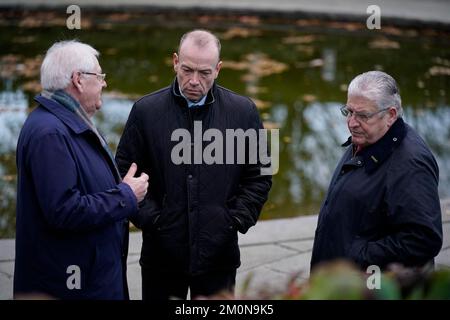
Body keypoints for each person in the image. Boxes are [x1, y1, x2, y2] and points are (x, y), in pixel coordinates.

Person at [116, 29, 272, 300]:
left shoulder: (244, 111)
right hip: (160, 256)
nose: (194, 81)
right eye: (187, 70)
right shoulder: (145, 111)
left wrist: (234, 219)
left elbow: (260, 175)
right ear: (175, 61)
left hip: (219, 256)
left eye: (204, 73)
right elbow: (124, 172)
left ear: (218, 69)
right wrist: (154, 220)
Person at [14, 40, 149, 299]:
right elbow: (64, 210)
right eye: (100, 76)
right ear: (78, 80)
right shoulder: (50, 134)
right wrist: (126, 195)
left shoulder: (64, 122)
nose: (104, 83)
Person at [310, 71, 443, 271]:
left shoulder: (411, 164)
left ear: (390, 115)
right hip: (340, 279)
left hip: (372, 285)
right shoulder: (367, 140)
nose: (352, 123)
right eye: (349, 112)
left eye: (363, 115)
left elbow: (423, 240)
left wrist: (356, 255)